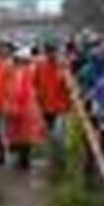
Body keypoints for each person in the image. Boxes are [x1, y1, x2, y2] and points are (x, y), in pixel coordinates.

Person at [32, 41, 72, 169]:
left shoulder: (63, 67)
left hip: (61, 107)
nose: (51, 54)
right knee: (50, 135)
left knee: (58, 135)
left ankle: (59, 160)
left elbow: (70, 87)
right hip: (46, 106)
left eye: (53, 51)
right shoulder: (40, 66)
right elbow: (35, 84)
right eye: (49, 51)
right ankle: (54, 160)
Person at [3, 47, 43, 170]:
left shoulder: (19, 73)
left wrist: (11, 107)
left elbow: (17, 91)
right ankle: (24, 161)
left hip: (21, 109)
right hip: (29, 108)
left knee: (20, 137)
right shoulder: (31, 70)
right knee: (26, 137)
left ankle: (22, 162)